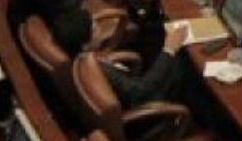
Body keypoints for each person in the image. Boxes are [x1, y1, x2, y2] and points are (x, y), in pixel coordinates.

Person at [53, 6, 182, 111]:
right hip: (146, 102)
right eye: (95, 28)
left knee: (151, 36)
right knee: (182, 60)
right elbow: (140, 91)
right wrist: (169, 50)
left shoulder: (80, 57)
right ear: (85, 45)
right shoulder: (101, 72)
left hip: (130, 81)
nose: (100, 28)